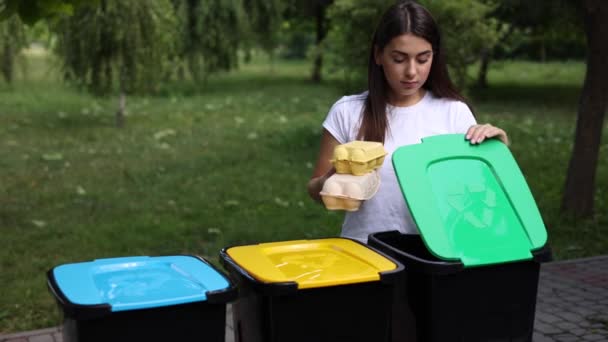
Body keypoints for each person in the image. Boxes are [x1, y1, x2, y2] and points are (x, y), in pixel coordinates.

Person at [307, 1, 509, 243]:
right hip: (364, 253)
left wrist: (496, 151)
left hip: (436, 253)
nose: (412, 71)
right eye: (399, 59)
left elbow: (480, 195)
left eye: (423, 59)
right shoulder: (347, 111)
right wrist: (331, 181)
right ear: (379, 55)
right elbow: (315, 190)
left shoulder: (454, 113)